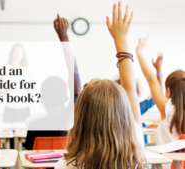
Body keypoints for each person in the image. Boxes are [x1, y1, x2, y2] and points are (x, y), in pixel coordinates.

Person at [55, 2, 145, 169]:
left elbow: (130, 90)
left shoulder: (66, 165)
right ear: (124, 115)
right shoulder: (135, 150)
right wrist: (121, 40)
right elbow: (130, 89)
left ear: (80, 118)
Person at [24, 14, 82, 150]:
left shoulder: (34, 127)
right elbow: (74, 72)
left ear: (42, 99)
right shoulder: (73, 124)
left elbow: (28, 159)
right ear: (66, 97)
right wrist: (63, 36)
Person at [136, 36, 185, 168]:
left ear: (168, 91)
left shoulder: (167, 108)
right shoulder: (172, 110)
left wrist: (139, 51)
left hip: (166, 166)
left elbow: (151, 80)